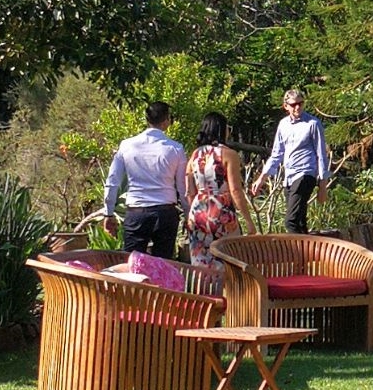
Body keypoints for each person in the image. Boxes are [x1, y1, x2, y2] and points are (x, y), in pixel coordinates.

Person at [102, 101, 187, 259]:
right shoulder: (176, 148)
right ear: (167, 120)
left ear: (147, 119)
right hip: (165, 212)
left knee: (132, 261)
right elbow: (182, 187)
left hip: (137, 212)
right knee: (163, 264)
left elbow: (113, 180)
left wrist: (108, 213)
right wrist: (188, 214)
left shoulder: (127, 145)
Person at [186, 112, 257, 280]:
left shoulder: (195, 155)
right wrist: (248, 221)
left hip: (198, 210)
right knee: (228, 259)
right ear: (222, 129)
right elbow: (235, 190)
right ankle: (227, 293)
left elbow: (189, 190)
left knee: (200, 260)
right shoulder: (229, 154)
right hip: (220, 209)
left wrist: (193, 212)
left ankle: (204, 293)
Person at [251, 89, 329, 234]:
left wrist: (322, 186)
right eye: (293, 105)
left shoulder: (313, 123)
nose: (297, 107)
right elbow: (277, 154)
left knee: (290, 221)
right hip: (289, 177)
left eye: (300, 103)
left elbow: (321, 155)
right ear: (286, 106)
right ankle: (306, 247)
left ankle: (293, 248)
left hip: (306, 174)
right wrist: (262, 178)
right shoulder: (283, 125)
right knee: (299, 222)